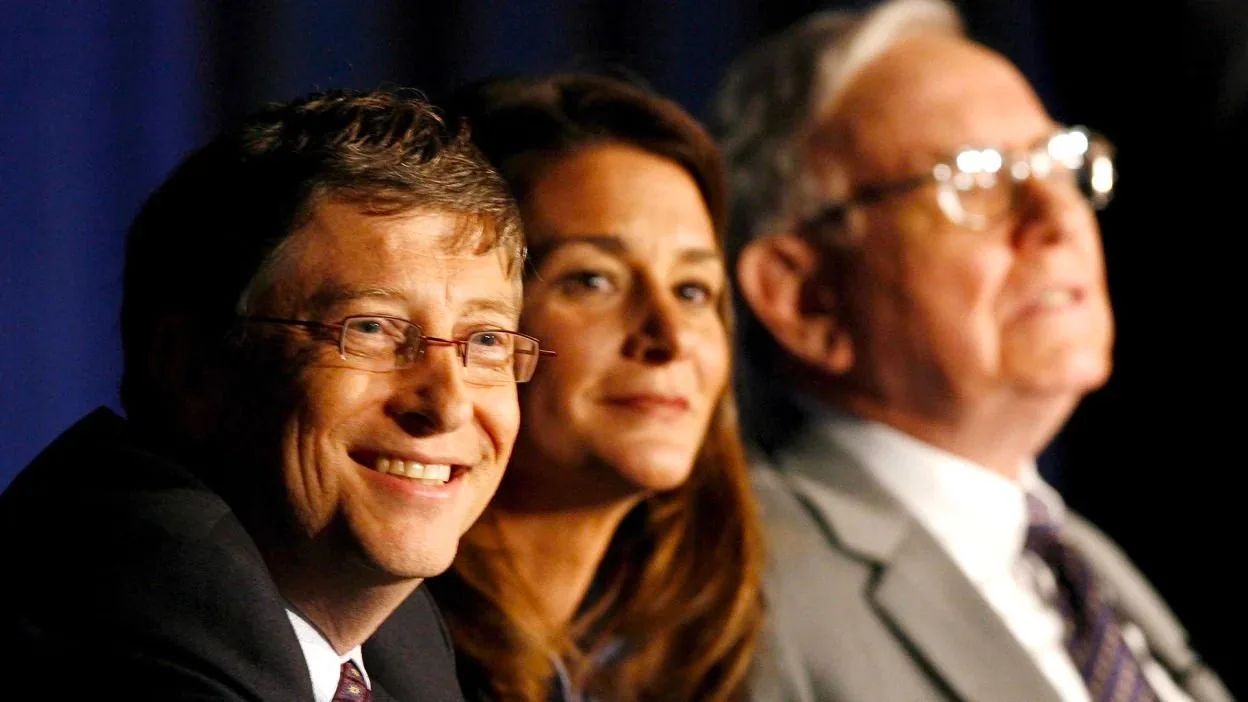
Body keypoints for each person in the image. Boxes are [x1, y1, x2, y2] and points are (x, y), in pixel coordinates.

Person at [713, 1, 1231, 700]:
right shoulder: (738, 592)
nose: (1057, 220)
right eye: (976, 181)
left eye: (1060, 163)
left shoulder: (1080, 560)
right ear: (805, 295)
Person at [0, 89, 549, 701]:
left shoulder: (394, 637)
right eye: (370, 329)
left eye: (488, 340)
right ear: (193, 369)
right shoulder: (126, 625)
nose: (447, 403)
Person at [426, 74, 764, 701]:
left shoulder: (696, 652)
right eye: (592, 280)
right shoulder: (365, 652)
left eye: (694, 291)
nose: (669, 336)